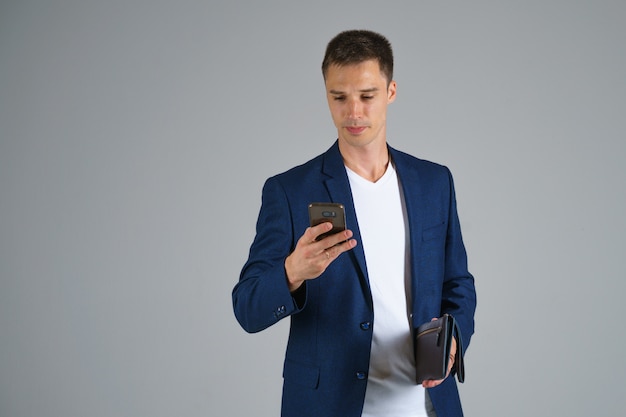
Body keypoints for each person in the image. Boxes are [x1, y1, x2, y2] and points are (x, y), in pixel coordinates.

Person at [232, 29, 476, 417]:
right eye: (339, 97)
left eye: (367, 96)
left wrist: (453, 337)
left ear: (391, 92)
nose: (354, 113)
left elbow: (458, 282)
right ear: (326, 95)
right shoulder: (290, 191)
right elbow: (247, 308)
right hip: (327, 405)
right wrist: (292, 273)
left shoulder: (433, 182)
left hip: (425, 406)